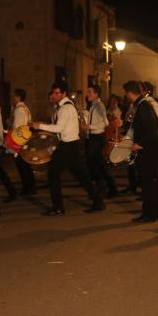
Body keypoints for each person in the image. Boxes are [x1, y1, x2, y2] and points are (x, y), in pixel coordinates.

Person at [32, 82, 105, 216]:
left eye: (57, 93)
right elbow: (58, 127)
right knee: (81, 175)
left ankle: (58, 207)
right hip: (69, 145)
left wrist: (40, 126)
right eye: (54, 92)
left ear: (64, 93)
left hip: (68, 146)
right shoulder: (61, 107)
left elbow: (59, 128)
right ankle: (98, 201)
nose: (54, 95)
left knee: (53, 174)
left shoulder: (66, 108)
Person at [124, 81, 158, 223]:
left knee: (147, 183)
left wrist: (139, 144)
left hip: (147, 149)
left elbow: (151, 129)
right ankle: (156, 212)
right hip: (149, 148)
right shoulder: (143, 105)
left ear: (130, 93)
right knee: (150, 182)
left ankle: (149, 214)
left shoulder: (143, 106)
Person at [81, 84, 118, 197]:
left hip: (96, 138)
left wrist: (89, 127)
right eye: (87, 92)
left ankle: (102, 187)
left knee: (93, 164)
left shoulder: (99, 106)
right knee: (99, 165)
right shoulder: (93, 105)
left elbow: (105, 122)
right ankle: (110, 188)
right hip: (93, 138)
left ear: (96, 94)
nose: (87, 94)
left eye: (90, 92)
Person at [11, 88, 36, 195]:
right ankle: (31, 186)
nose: (13, 98)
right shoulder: (25, 108)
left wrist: (13, 142)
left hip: (20, 140)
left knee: (22, 165)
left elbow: (17, 127)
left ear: (18, 97)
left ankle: (27, 188)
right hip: (27, 139)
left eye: (14, 96)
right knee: (26, 164)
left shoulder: (18, 110)